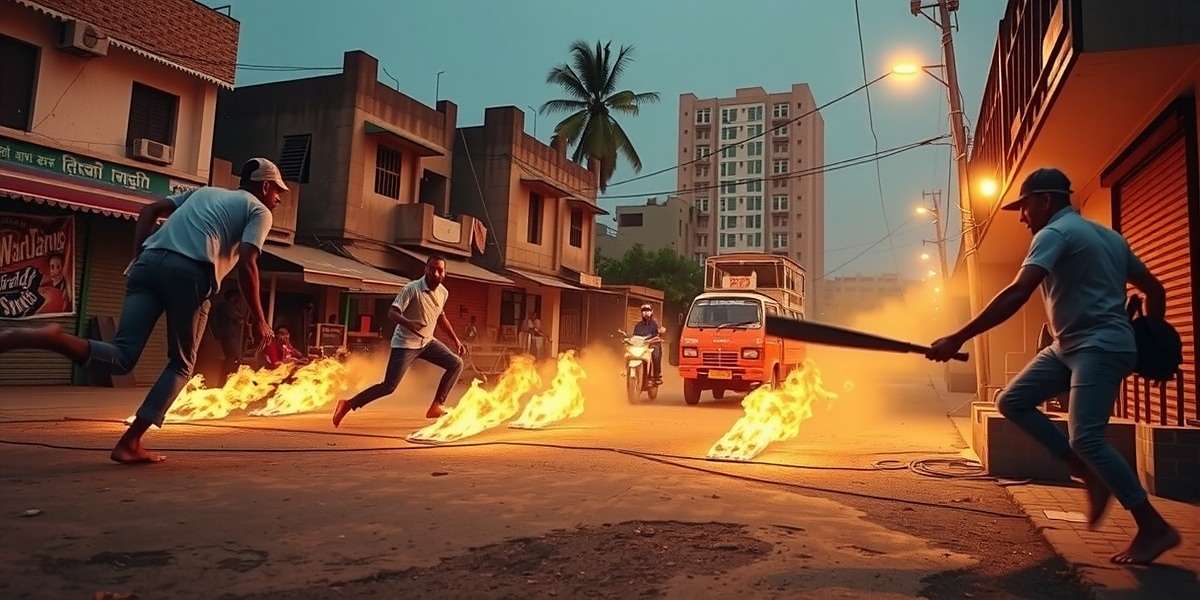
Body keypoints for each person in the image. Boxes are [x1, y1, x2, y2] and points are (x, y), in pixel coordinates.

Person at [926, 168, 1180, 565]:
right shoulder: (1110, 237)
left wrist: (958, 337)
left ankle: (1153, 526)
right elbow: (1155, 289)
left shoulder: (1055, 234)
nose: (1021, 217)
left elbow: (1018, 292)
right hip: (1070, 345)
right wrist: (1152, 328)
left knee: (1088, 437)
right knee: (1013, 401)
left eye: (1024, 207)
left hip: (1099, 346)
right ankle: (1085, 471)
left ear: (1045, 201)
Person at [0, 158, 285, 464]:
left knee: (122, 357)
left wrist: (138, 255)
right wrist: (259, 319)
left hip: (148, 263)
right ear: (264, 186)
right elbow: (247, 263)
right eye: (277, 190)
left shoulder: (205, 192)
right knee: (181, 365)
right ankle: (130, 442)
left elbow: (150, 210)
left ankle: (53, 338)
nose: (279, 197)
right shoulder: (259, 211)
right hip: (191, 273)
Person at [332, 255, 466, 424]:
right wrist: (409, 323)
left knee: (456, 363)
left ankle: (436, 406)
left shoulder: (443, 293)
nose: (436, 273)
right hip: (405, 344)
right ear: (426, 269)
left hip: (427, 342)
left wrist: (456, 340)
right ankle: (348, 404)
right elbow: (392, 313)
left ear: (445, 273)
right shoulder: (412, 289)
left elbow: (441, 317)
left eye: (440, 270)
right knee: (389, 386)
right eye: (432, 269)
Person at [210, 289, 247, 380]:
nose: (238, 300)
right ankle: (226, 378)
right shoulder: (227, 306)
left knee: (231, 357)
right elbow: (238, 318)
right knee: (233, 357)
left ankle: (226, 378)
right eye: (237, 298)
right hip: (228, 335)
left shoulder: (222, 306)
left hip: (226, 335)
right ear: (232, 298)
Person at [632, 303, 665, 384]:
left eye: (648, 310)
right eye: (643, 311)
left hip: (651, 345)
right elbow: (634, 336)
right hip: (640, 347)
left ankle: (656, 376)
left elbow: (659, 334)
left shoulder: (654, 324)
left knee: (655, 352)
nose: (646, 312)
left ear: (651, 312)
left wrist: (659, 335)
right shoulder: (638, 325)